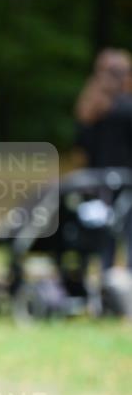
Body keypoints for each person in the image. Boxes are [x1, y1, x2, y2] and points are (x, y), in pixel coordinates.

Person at [75, 47, 132, 270]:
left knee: (103, 239)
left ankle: (104, 281)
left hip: (96, 184)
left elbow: (81, 150)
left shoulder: (88, 109)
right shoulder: (127, 109)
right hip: (126, 183)